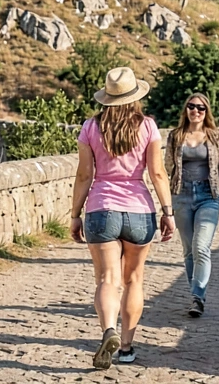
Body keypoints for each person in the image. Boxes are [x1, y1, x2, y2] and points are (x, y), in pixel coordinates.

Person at [70, 67, 175, 369]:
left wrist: (75, 215)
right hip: (140, 211)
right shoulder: (149, 127)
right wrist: (167, 212)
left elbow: (84, 175)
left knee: (107, 279)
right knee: (133, 280)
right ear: (135, 96)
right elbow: (157, 173)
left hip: (101, 209)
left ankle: (108, 331)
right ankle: (127, 347)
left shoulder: (91, 127)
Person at [163, 93, 219, 317]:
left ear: (206, 112)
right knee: (188, 250)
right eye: (191, 107)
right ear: (186, 110)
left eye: (200, 108)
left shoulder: (214, 136)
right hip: (182, 196)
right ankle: (195, 294)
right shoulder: (175, 136)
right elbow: (167, 169)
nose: (195, 111)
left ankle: (198, 296)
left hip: (208, 196)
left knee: (201, 246)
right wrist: (166, 204)